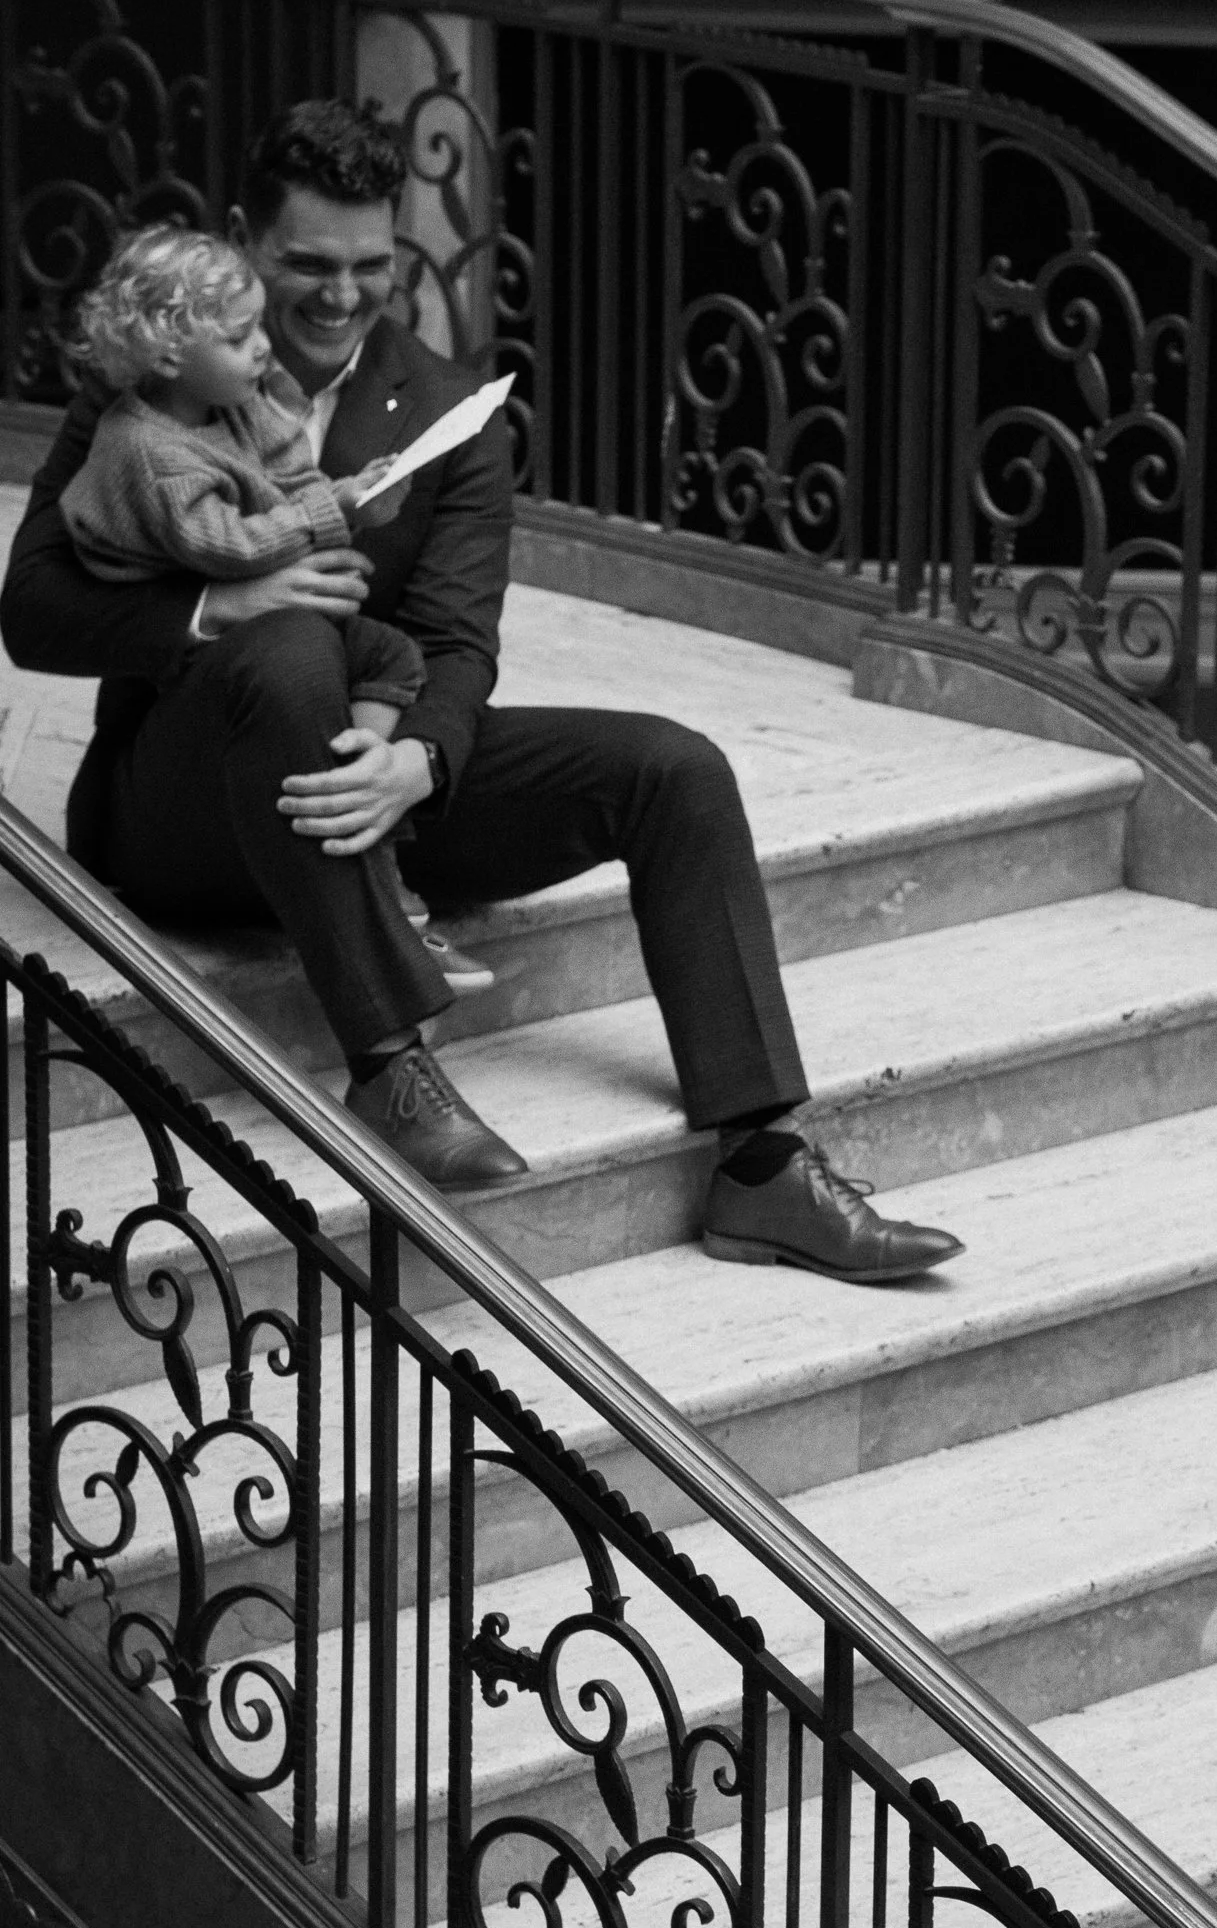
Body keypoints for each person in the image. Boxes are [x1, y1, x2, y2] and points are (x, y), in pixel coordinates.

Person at [2, 97, 959, 1281]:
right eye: (305, 262)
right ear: (246, 237)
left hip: (374, 776)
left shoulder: (451, 408)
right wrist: (211, 609)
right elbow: (31, 609)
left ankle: (761, 1165)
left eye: (369, 265)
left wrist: (422, 763)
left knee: (674, 768)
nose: (339, 295)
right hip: (182, 803)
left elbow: (456, 640)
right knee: (292, 641)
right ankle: (389, 1062)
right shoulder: (153, 376)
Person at [55, 218, 492, 998]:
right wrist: (333, 519)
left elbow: (290, 473)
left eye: (257, 326)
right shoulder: (149, 448)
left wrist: (352, 495)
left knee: (392, 656)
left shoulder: (237, 402)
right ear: (167, 356)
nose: (263, 348)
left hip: (288, 658)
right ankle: (382, 919)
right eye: (239, 336)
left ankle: (364, 805)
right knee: (298, 648)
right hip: (193, 690)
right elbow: (223, 546)